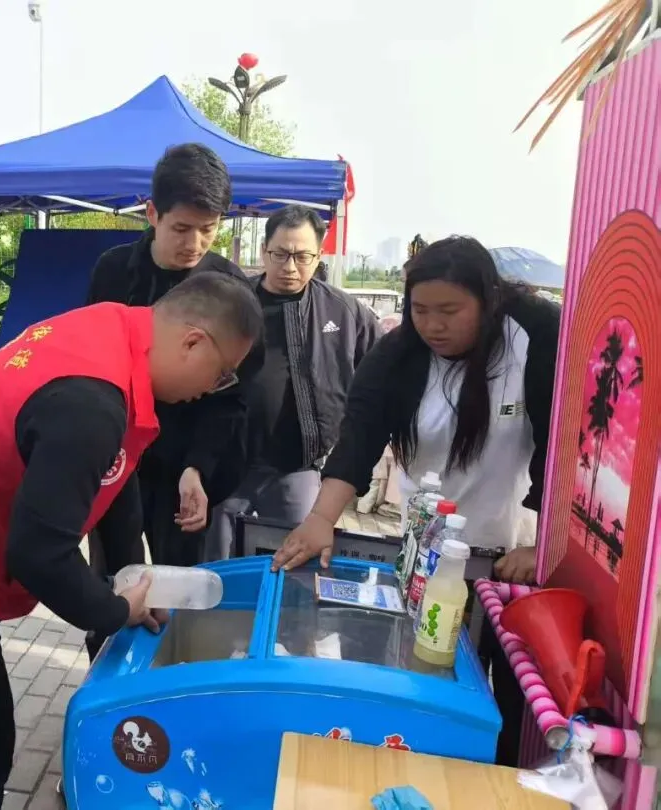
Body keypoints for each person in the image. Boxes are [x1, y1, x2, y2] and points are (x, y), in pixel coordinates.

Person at [0, 272, 263, 808]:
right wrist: (113, 610)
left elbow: (114, 476)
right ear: (193, 341)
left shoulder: (113, 332)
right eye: (221, 374)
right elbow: (38, 554)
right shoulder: (91, 400)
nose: (211, 390)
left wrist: (131, 580)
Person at [270, 236, 560, 766]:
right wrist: (320, 519)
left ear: (488, 301)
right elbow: (358, 438)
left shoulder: (534, 336)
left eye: (450, 310)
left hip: (513, 558)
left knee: (513, 699)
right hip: (430, 552)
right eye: (421, 310)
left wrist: (543, 540)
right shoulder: (397, 354)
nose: (433, 325)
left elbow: (562, 443)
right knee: (431, 679)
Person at [85, 143, 263, 571]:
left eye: (208, 229)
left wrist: (198, 467)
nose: (194, 243)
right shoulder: (113, 272)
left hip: (183, 469)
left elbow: (234, 396)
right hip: (117, 458)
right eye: (181, 228)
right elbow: (93, 368)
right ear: (153, 213)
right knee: (113, 577)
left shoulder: (230, 289)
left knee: (179, 579)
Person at [206, 205, 380, 561]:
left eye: (302, 256)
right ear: (263, 251)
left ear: (319, 255)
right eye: (280, 254)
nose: (290, 266)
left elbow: (380, 371)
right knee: (216, 563)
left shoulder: (344, 312)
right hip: (229, 464)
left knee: (297, 561)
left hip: (297, 467)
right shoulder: (233, 303)